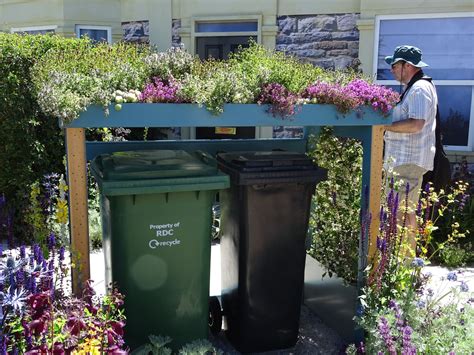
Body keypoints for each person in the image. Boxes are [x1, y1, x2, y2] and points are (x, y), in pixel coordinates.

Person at [383, 45, 437, 255]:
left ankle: (403, 266)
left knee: (402, 214)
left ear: (408, 65)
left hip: (409, 162)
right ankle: (399, 263)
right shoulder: (414, 88)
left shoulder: (420, 89)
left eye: (395, 65)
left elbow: (416, 124)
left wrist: (383, 127)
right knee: (401, 213)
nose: (391, 69)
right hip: (404, 161)